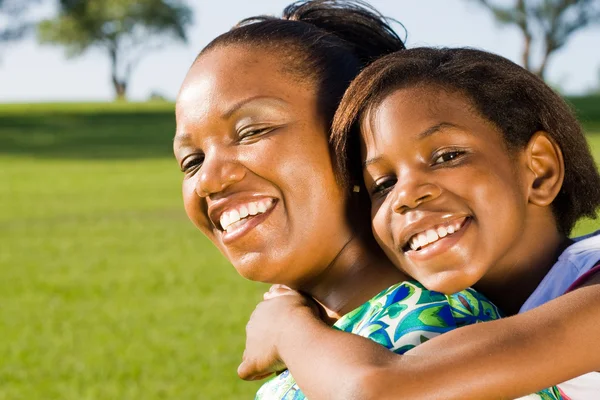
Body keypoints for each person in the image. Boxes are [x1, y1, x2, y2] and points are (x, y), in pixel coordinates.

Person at [173, 2, 559, 399]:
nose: (208, 180)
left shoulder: (436, 334)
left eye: (252, 131)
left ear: (359, 140)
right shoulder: (324, 344)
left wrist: (288, 328)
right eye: (191, 161)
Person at [237, 48, 600, 399]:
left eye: (447, 156)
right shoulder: (453, 313)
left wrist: (286, 325)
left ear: (539, 170)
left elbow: (379, 391)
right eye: (384, 184)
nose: (406, 195)